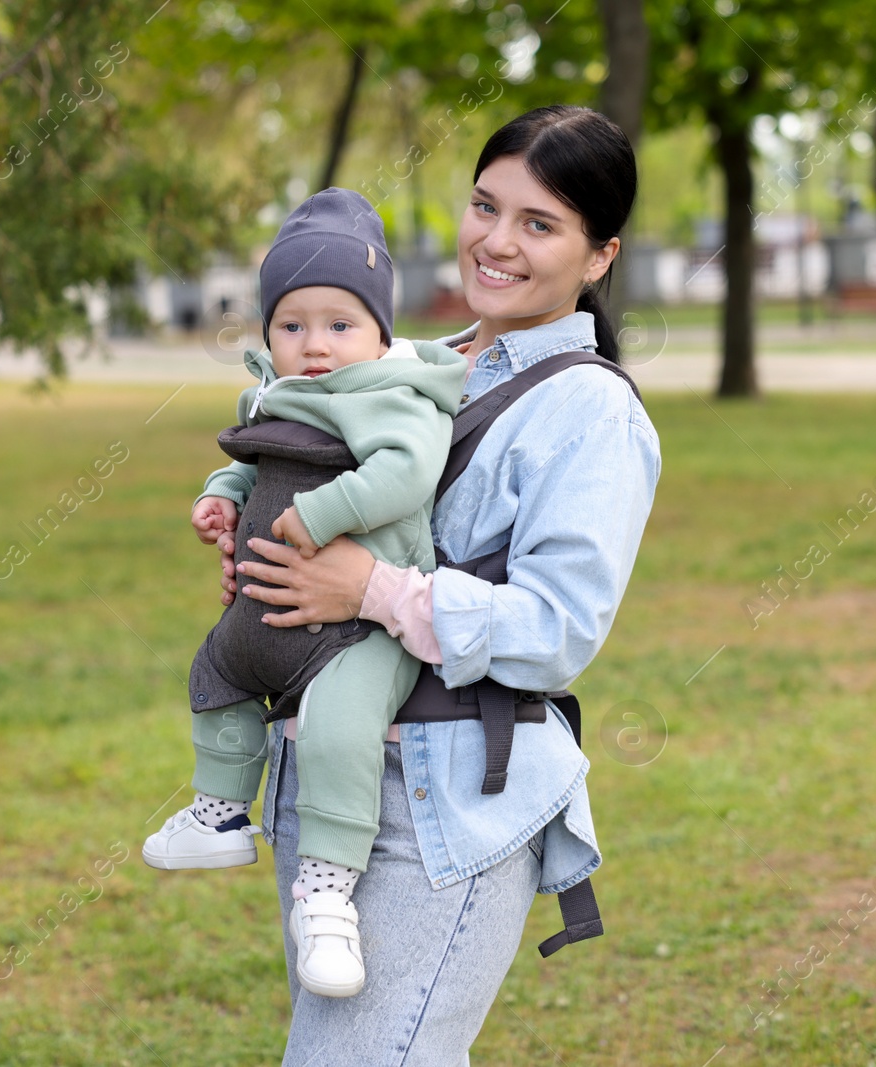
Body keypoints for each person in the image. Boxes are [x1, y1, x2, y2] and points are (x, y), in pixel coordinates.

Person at [223, 106, 661, 1064]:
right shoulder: (406, 366)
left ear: (599, 255)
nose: (496, 242)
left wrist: (369, 588)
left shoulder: (590, 411)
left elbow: (556, 628)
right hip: (328, 775)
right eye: (483, 206)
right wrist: (263, 549)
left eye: (539, 224)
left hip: (445, 799)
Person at [141, 188, 467, 999]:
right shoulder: (276, 392)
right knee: (214, 677)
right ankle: (220, 812)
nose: (315, 345)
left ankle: (327, 896)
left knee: (337, 729)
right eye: (292, 325)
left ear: (381, 333)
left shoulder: (391, 395)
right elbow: (252, 459)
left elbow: (404, 473)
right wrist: (221, 494)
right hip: (266, 615)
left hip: (361, 630)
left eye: (340, 324)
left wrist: (318, 516)